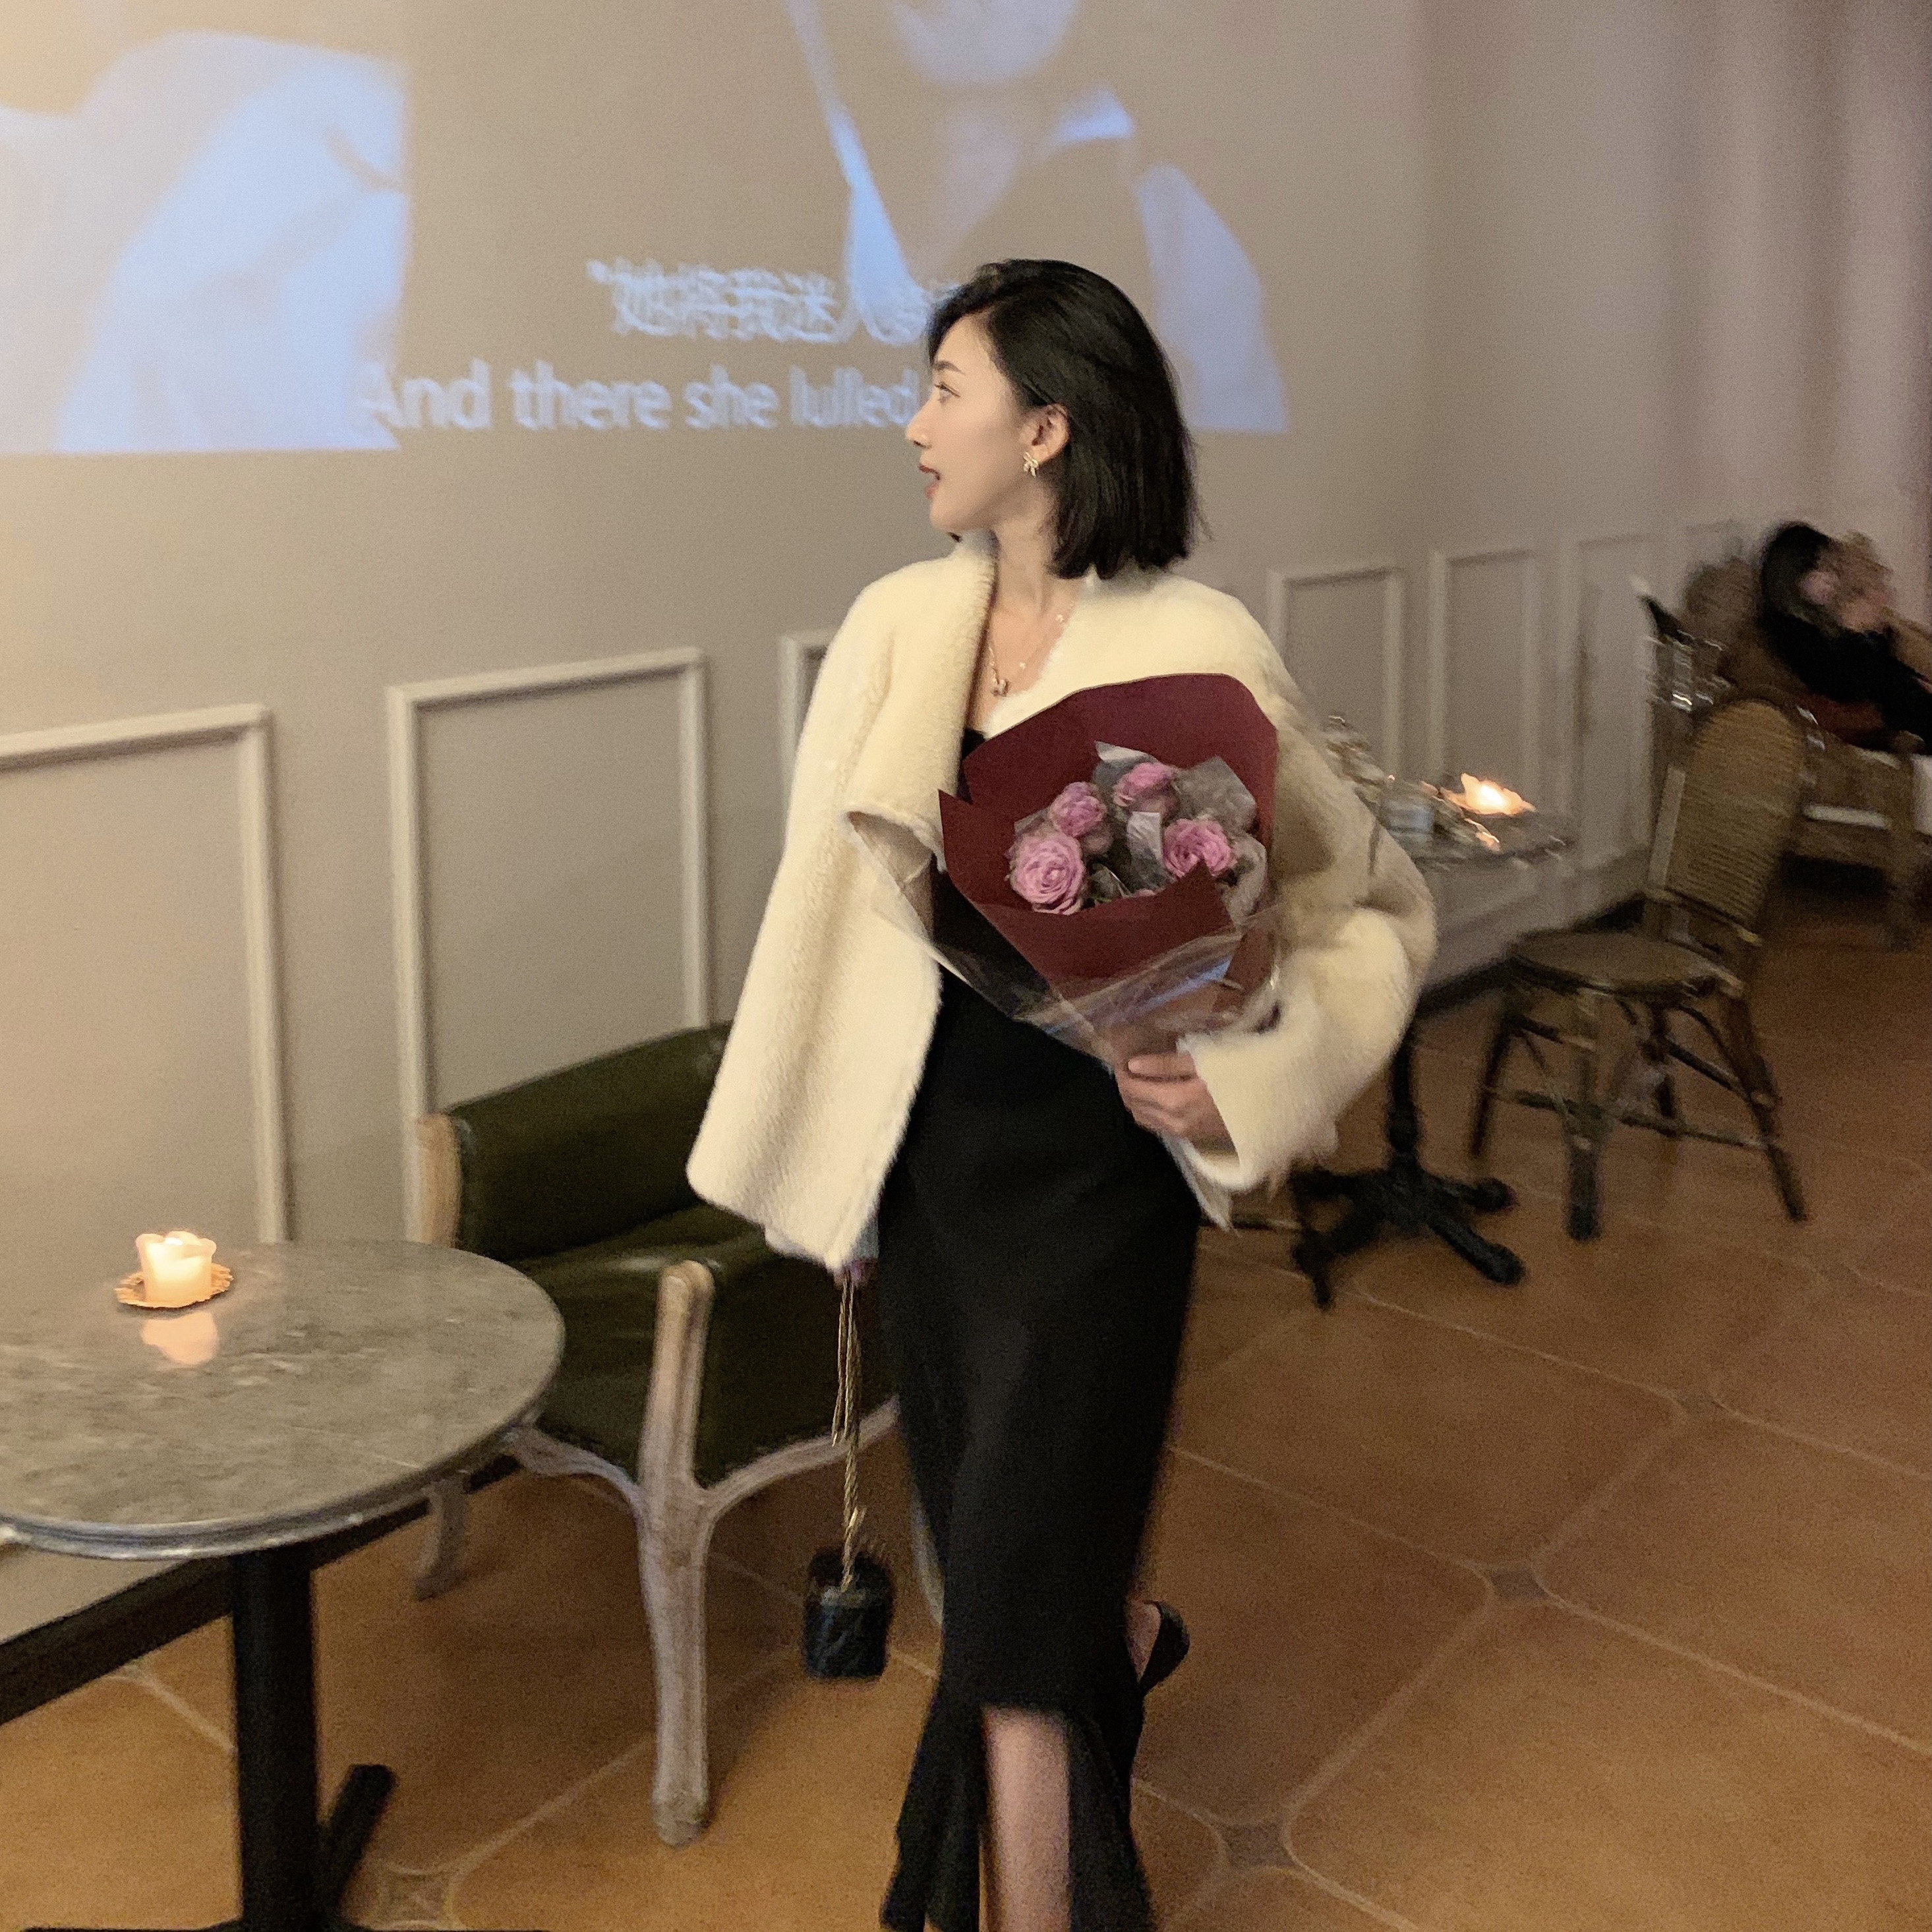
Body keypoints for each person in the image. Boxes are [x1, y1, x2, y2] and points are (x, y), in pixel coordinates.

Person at [688, 259, 1431, 1932]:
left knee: (1012, 1619)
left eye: (942, 388)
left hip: (1099, 1168)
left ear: (1045, 427)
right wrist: (835, 1166)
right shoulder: (894, 625)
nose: (912, 424)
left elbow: (1360, 907)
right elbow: (821, 917)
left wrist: (1242, 1075)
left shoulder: (1198, 643)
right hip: (932, 1159)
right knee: (994, 1557)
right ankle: (1123, 1632)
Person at [1757, 522, 1932, 746]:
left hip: (1900, 704)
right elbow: (1846, 686)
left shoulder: (1823, 616)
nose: (1829, 578)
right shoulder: (1789, 631)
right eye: (1817, 570)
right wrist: (1853, 633)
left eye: (1831, 567)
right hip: (1881, 716)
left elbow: (1884, 664)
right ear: (1791, 576)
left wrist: (1875, 633)